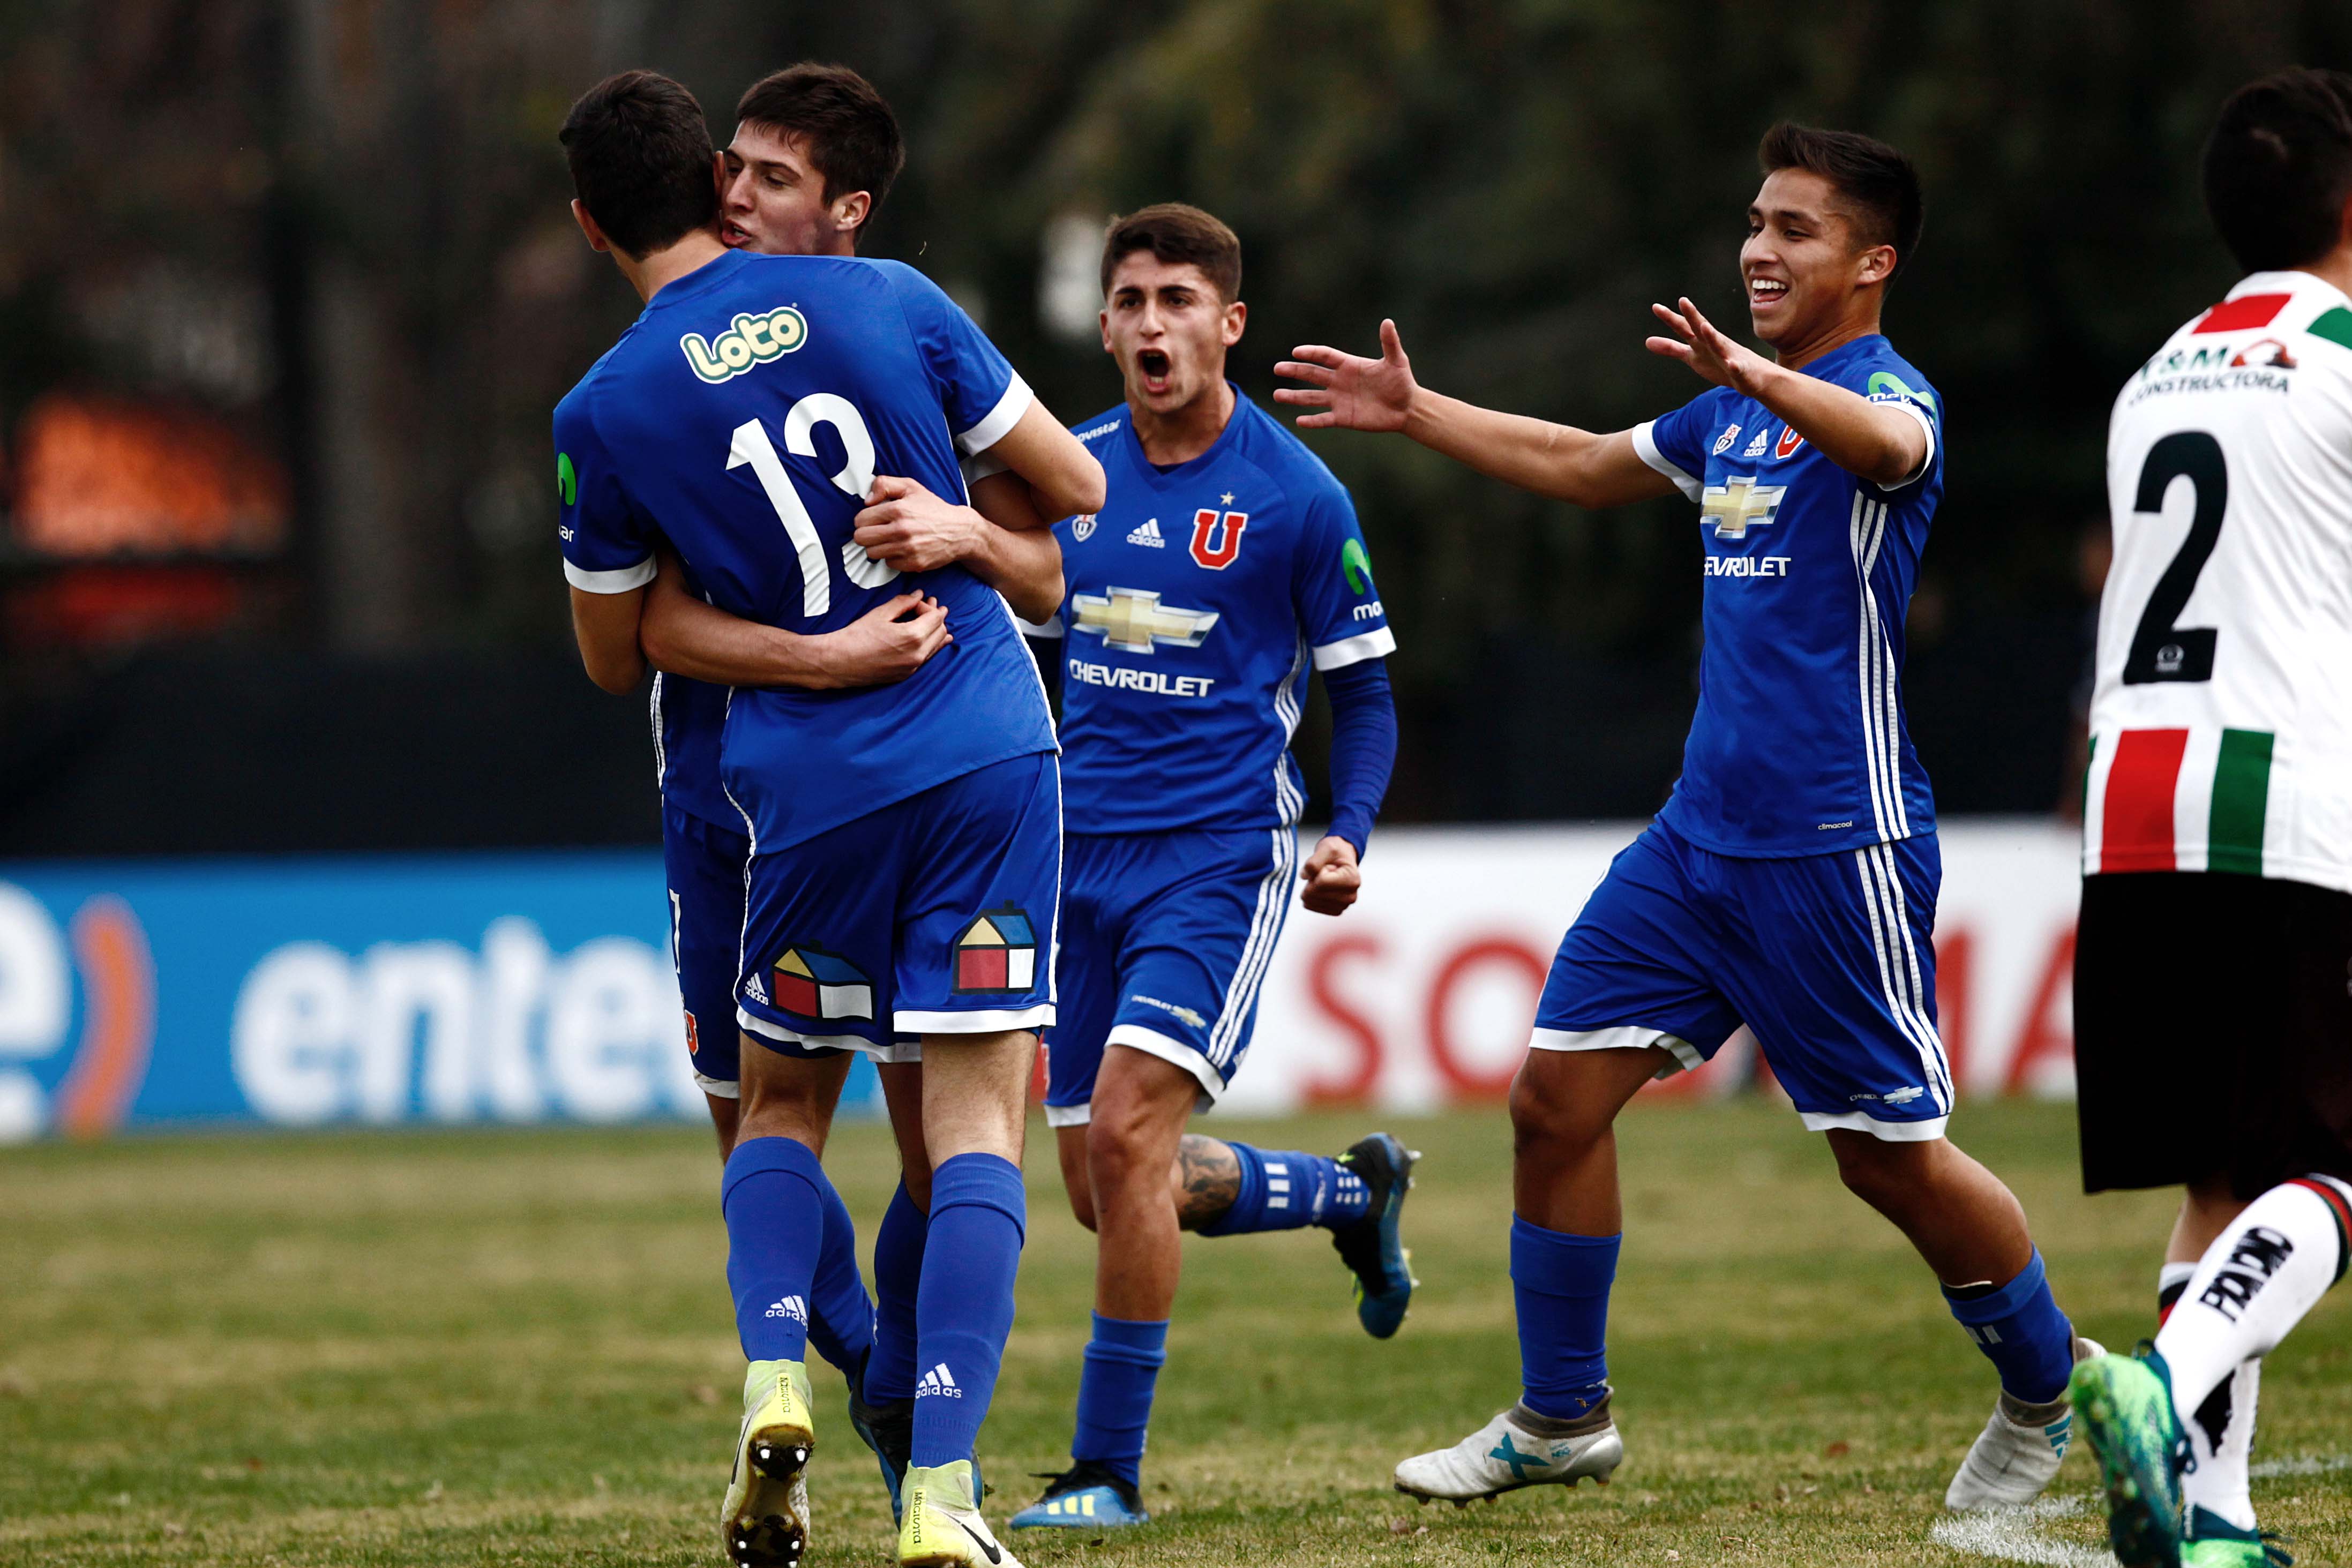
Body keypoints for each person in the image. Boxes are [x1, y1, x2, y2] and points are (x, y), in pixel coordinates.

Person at [1276, 123, 2094, 1512]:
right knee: (1549, 1101)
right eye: (1755, 223)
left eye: (1795, 231)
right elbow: (1580, 458)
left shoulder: (1887, 398)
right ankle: (1559, 1417)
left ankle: (2054, 1391)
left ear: (1871, 263)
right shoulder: (1726, 411)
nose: (1759, 249)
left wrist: (1756, 374)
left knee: (1884, 1163)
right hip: (1694, 843)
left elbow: (1890, 444)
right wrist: (1420, 413)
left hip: (1832, 852)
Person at [552, 69, 1103, 1568]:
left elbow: (614, 652)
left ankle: (780, 1375)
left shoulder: (602, 408)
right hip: (976, 752)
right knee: (971, 1122)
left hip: (786, 792)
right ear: (706, 182)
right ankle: (938, 1479)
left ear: (592, 222)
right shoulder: (888, 302)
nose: (751, 186)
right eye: (735, 166)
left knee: (775, 1112)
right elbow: (1067, 502)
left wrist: (805, 651)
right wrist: (956, 546)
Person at [1000, 205, 1414, 1532]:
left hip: (1216, 858)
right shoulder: (1068, 470)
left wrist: (1345, 827)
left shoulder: (1296, 493)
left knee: (1124, 1138)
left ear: (1226, 323)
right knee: (1105, 1186)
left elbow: (1369, 692)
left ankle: (1105, 1472)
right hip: (1073, 861)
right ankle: (1353, 1193)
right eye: (1128, 300)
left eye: (1177, 299)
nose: (1148, 324)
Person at [2068, 68, 2352, 1568]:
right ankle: (2157, 1387)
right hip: (2284, 810)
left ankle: (2216, 1516)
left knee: (2222, 1184)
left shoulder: (2157, 371)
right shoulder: (2347, 359)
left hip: (2132, 807)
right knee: (2332, 1169)